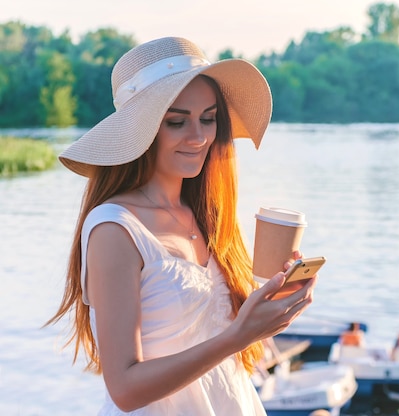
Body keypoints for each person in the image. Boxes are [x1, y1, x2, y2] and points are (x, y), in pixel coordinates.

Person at [45, 36, 317, 415]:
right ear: (141, 131)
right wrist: (239, 336)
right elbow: (124, 388)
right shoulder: (115, 229)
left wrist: (270, 308)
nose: (200, 136)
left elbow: (216, 337)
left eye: (208, 118)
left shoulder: (207, 217)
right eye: (177, 121)